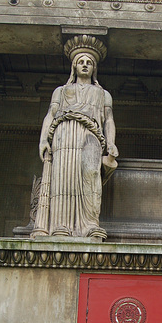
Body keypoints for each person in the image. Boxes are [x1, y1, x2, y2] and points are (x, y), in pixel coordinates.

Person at [32, 36, 118, 241]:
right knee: (64, 177)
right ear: (74, 67)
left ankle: (90, 224)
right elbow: (50, 116)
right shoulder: (61, 91)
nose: (85, 65)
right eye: (81, 62)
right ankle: (61, 226)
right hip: (64, 135)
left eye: (89, 63)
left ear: (94, 68)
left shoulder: (103, 94)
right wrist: (44, 140)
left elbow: (109, 121)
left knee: (91, 174)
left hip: (91, 136)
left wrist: (111, 142)